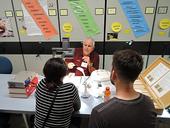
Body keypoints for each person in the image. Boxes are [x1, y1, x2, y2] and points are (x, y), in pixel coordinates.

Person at [88, 49, 157, 128]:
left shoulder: (99, 113)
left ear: (114, 74)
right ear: (137, 76)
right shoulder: (149, 103)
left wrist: (108, 106)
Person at [34, 58, 81, 128]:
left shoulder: (41, 83)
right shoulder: (70, 89)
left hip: (39, 126)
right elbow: (77, 108)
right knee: (78, 119)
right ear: (64, 74)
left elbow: (37, 97)